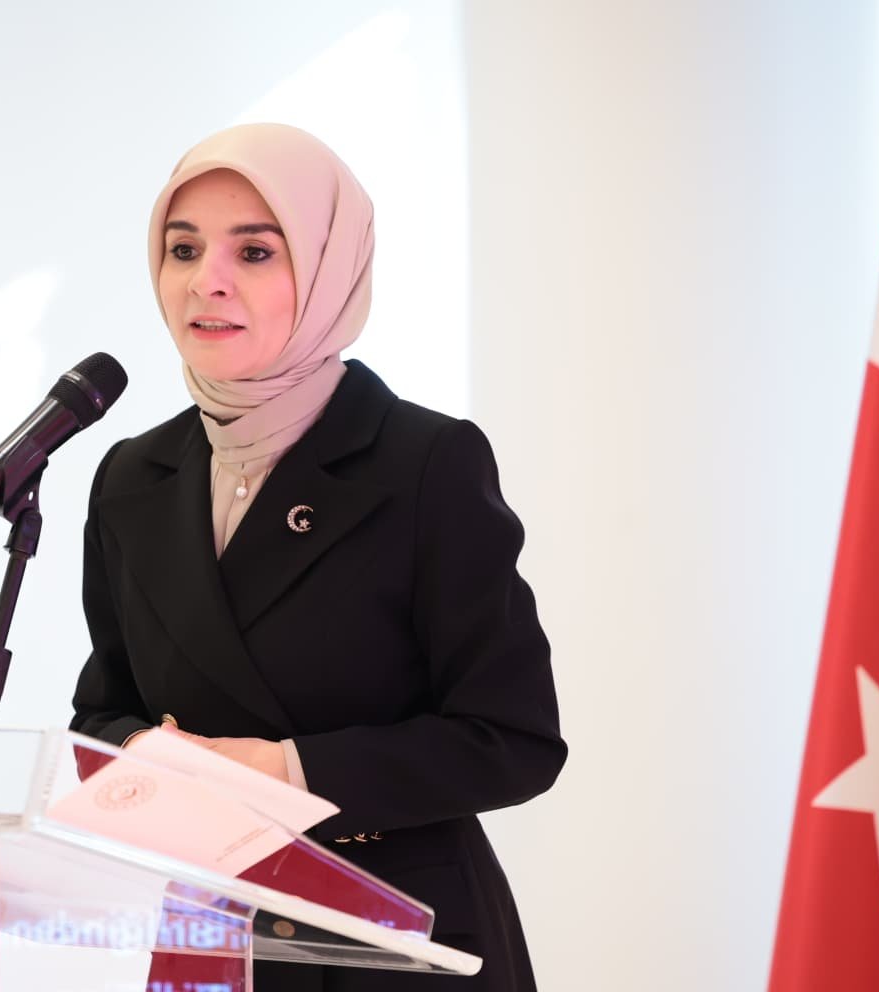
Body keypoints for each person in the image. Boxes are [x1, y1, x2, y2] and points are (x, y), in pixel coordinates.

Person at [69, 123, 566, 992]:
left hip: (396, 942)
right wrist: (142, 750)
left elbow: (513, 740)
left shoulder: (424, 462)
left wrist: (287, 772)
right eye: (183, 249)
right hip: (212, 930)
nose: (207, 279)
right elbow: (101, 711)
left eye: (255, 251)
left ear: (330, 270)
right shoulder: (131, 476)